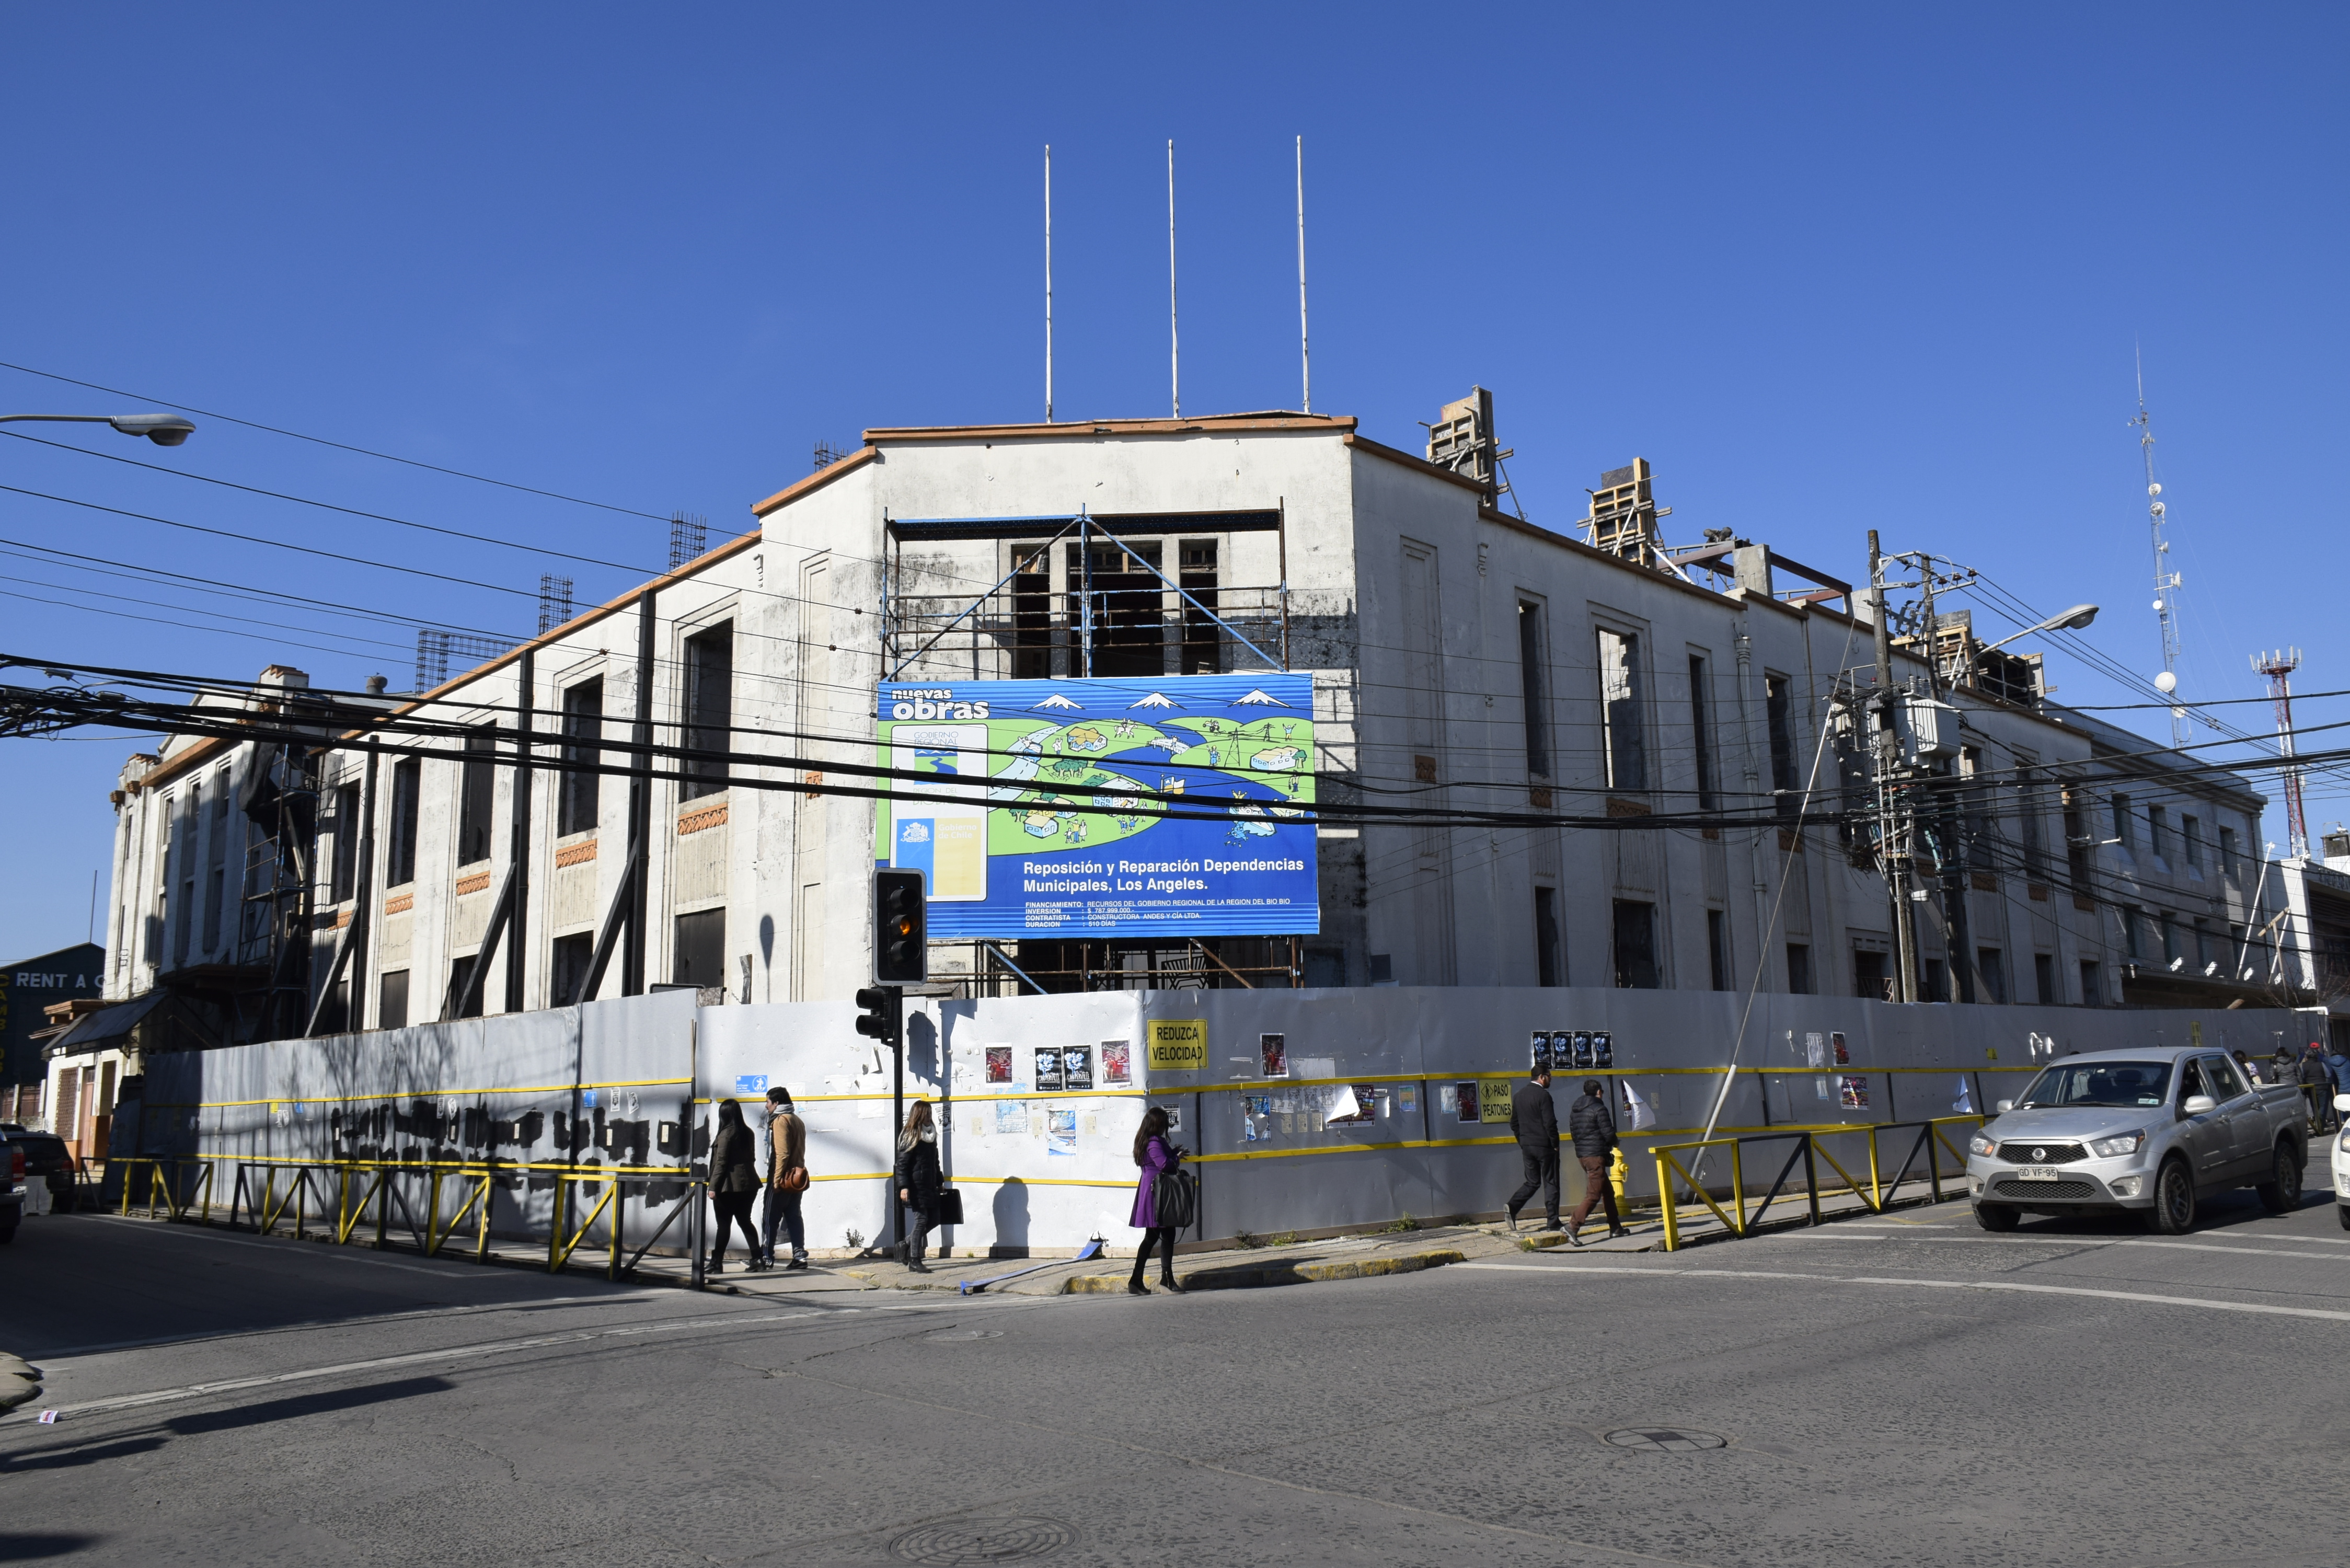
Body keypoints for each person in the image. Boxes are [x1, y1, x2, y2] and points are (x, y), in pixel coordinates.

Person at [1126, 1106, 1187, 1296]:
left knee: (1152, 1237)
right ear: (1157, 1125)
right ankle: (1166, 1281)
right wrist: (1176, 1158)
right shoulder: (1154, 1142)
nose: (1165, 1128)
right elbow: (1164, 1165)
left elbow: (1157, 1160)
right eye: (1163, 1124)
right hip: (1158, 1193)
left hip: (1152, 1190)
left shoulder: (1146, 1140)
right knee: (1167, 1234)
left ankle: (1136, 1280)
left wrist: (1173, 1152)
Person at [1565, 1078, 1630, 1246]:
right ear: (1599, 1092)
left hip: (1583, 1156)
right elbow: (1608, 1133)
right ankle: (1572, 1227)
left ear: (1585, 1092)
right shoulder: (1599, 1108)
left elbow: (1574, 1134)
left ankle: (1615, 1227)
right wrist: (1615, 1142)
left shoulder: (1575, 1110)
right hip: (1595, 1156)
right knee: (1593, 1195)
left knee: (1608, 1192)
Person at [706, 1099, 763, 1274]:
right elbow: (752, 1158)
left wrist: (713, 1187)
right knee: (745, 1221)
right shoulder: (748, 1132)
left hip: (728, 1186)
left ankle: (716, 1263)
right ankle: (758, 1259)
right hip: (749, 1184)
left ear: (724, 1115)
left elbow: (721, 1163)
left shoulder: (726, 1134)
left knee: (724, 1225)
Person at [1505, 1065, 1561, 1231]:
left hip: (1528, 1146)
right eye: (1549, 1076)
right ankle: (1553, 1221)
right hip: (1545, 1146)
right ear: (1542, 1077)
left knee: (1532, 1182)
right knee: (1551, 1182)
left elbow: (1514, 1123)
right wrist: (1555, 1144)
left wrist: (1523, 1141)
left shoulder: (1519, 1096)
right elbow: (1550, 1123)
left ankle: (1513, 1206)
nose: (1551, 1079)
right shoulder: (1543, 1096)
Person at [760, 1086, 809, 1271]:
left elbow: (782, 1154)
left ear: (777, 1103)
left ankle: (766, 1257)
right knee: (794, 1217)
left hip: (782, 1179)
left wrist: (776, 1180)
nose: (766, 1106)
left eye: (768, 1102)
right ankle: (799, 1256)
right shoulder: (797, 1120)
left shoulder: (781, 1121)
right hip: (796, 1179)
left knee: (770, 1218)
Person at [893, 1099, 943, 1274]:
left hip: (929, 1185)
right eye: (926, 1114)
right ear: (918, 1115)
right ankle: (915, 1259)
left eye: (930, 1113)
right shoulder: (911, 1135)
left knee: (935, 1219)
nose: (929, 1117)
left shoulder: (931, 1135)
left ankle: (905, 1244)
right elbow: (902, 1165)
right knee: (921, 1220)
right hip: (915, 1186)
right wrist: (904, 1187)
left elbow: (935, 1161)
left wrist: (940, 1182)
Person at [2300, 1043, 2336, 1133]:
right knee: (2323, 1106)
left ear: (2307, 1057)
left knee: (2314, 1106)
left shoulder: (2302, 1066)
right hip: (2322, 1087)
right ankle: (2320, 1123)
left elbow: (2302, 1077)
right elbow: (2328, 1074)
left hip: (2309, 1087)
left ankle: (2318, 1125)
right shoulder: (2321, 1064)